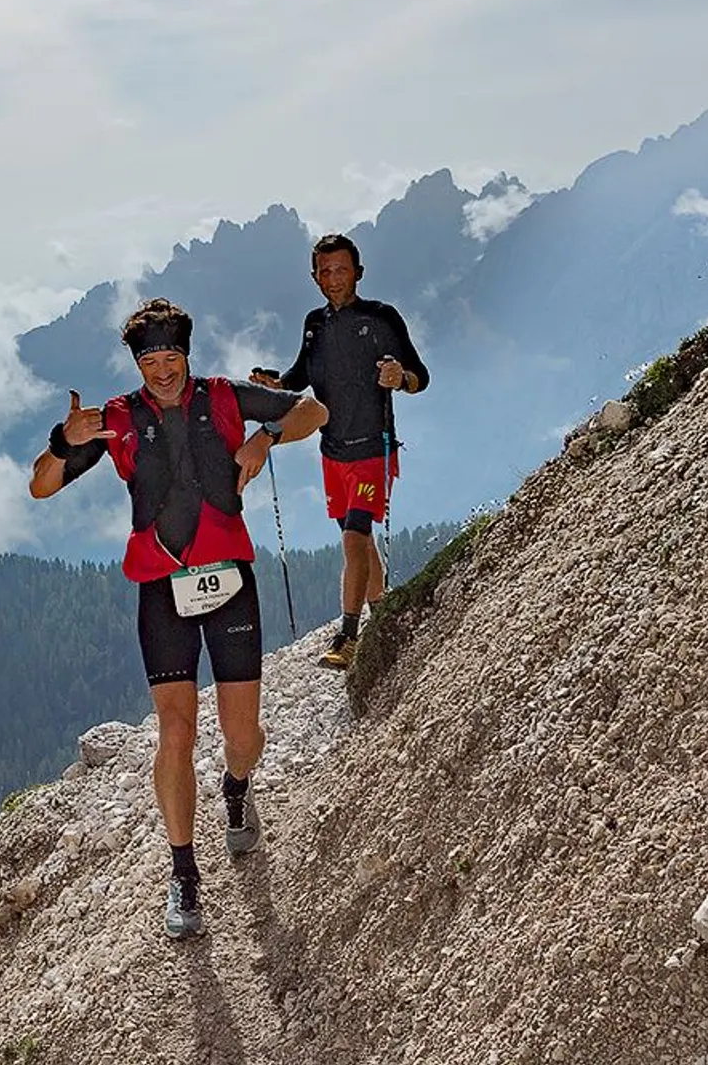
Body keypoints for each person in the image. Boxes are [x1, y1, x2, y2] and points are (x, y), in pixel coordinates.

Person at [30, 298, 326, 940]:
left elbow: (314, 409)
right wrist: (62, 441)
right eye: (149, 360)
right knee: (175, 731)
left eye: (171, 357)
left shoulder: (222, 397)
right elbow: (42, 486)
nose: (162, 370)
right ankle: (184, 874)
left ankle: (237, 784)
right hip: (161, 588)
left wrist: (264, 435)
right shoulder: (114, 418)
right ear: (136, 363)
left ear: (186, 354)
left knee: (243, 735)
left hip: (229, 582)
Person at [250, 233, 428, 670]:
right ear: (314, 277)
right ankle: (383, 616)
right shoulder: (314, 324)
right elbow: (300, 377)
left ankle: (348, 637)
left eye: (341, 270)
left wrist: (398, 377)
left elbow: (420, 376)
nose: (333, 278)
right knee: (361, 544)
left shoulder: (382, 317)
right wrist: (275, 386)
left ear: (358, 273)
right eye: (325, 271)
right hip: (332, 450)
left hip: (373, 447)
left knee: (353, 537)